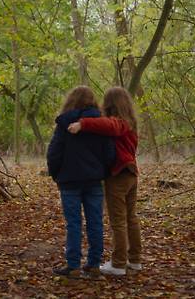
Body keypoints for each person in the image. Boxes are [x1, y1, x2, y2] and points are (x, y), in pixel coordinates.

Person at [67, 86, 142, 276]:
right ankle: (134, 260)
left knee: (119, 220)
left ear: (110, 104)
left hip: (120, 175)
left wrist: (83, 123)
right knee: (130, 218)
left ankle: (118, 264)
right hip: (131, 173)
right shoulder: (130, 122)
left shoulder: (120, 123)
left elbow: (110, 126)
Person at [47, 86, 115, 279]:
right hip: (94, 181)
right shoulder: (101, 124)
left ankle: (73, 265)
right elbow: (109, 153)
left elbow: (54, 152)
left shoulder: (64, 123)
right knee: (95, 222)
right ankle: (93, 264)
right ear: (92, 101)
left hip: (69, 181)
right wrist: (103, 172)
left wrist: (56, 174)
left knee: (73, 223)